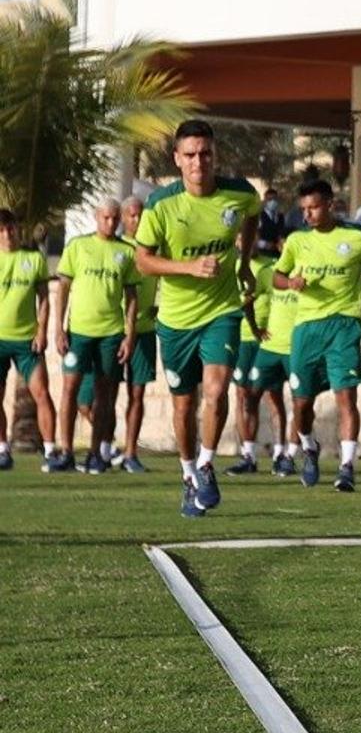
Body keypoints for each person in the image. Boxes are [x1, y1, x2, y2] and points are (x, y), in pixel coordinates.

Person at [134, 122, 261, 518]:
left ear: (215, 154)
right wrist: (188, 266)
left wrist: (243, 262)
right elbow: (143, 260)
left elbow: (252, 216)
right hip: (174, 321)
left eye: (205, 153)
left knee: (217, 389)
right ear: (177, 159)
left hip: (221, 310)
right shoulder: (161, 204)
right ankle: (188, 474)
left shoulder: (239, 194)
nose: (198, 162)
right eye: (189, 155)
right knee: (184, 405)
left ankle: (206, 464)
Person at [274, 176, 361, 493]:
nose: (308, 215)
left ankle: (346, 467)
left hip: (344, 325)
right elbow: (277, 276)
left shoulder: (355, 238)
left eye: (313, 207)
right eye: (304, 209)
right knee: (302, 404)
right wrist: (291, 284)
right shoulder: (297, 241)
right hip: (306, 330)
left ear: (330, 205)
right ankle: (308, 446)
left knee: (346, 397)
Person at [51, 200, 138, 475]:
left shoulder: (126, 251)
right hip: (79, 331)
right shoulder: (77, 246)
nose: (111, 224)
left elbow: (132, 297)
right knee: (70, 389)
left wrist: (129, 334)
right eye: (106, 218)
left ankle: (95, 452)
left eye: (115, 219)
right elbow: (63, 288)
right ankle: (65, 451)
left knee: (105, 394)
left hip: (110, 333)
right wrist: (59, 328)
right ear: (96, 217)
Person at [0, 209, 56, 473]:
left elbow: (44, 298)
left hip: (27, 341)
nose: (7, 234)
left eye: (10, 228)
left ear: (17, 230)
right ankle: (2, 450)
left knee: (42, 393)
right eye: (1, 230)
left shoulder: (33, 260)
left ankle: (52, 451)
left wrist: (42, 330)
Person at [229, 265, 291, 478]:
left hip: (269, 341)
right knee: (243, 397)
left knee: (273, 396)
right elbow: (245, 301)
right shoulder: (229, 262)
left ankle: (280, 455)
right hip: (241, 341)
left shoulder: (271, 268)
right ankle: (248, 455)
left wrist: (259, 330)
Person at [114, 192, 159, 473]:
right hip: (114, 331)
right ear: (122, 218)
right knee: (95, 396)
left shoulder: (154, 248)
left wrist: (159, 307)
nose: (137, 218)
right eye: (131, 214)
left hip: (144, 330)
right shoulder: (118, 248)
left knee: (137, 393)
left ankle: (130, 452)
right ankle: (106, 445)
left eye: (140, 213)